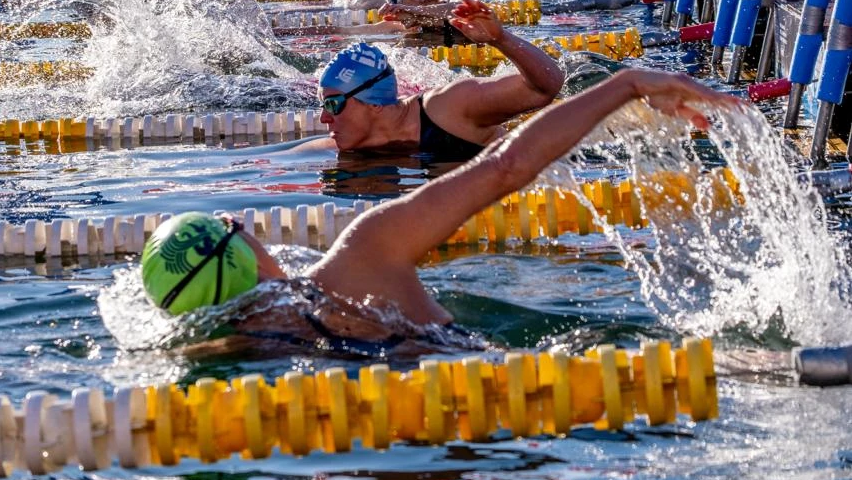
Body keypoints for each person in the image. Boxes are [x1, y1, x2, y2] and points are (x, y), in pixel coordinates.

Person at [139, 67, 735, 354]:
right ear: (240, 250)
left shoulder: (232, 346)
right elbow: (507, 166)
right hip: (509, 370)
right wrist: (625, 85)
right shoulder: (363, 257)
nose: (241, 223)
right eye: (231, 226)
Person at [309, 0, 564, 160]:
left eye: (333, 104)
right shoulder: (352, 143)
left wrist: (501, 40)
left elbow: (544, 89)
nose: (324, 118)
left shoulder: (448, 107)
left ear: (374, 103)